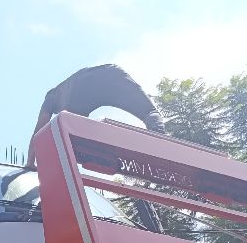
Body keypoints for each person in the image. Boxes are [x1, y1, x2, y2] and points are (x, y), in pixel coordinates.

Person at [26, 64, 165, 167]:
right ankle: (160, 138)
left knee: (72, 140)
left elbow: (38, 132)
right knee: (149, 112)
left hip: (85, 86)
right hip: (114, 73)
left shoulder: (52, 96)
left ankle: (102, 158)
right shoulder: (71, 94)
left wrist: (30, 163)